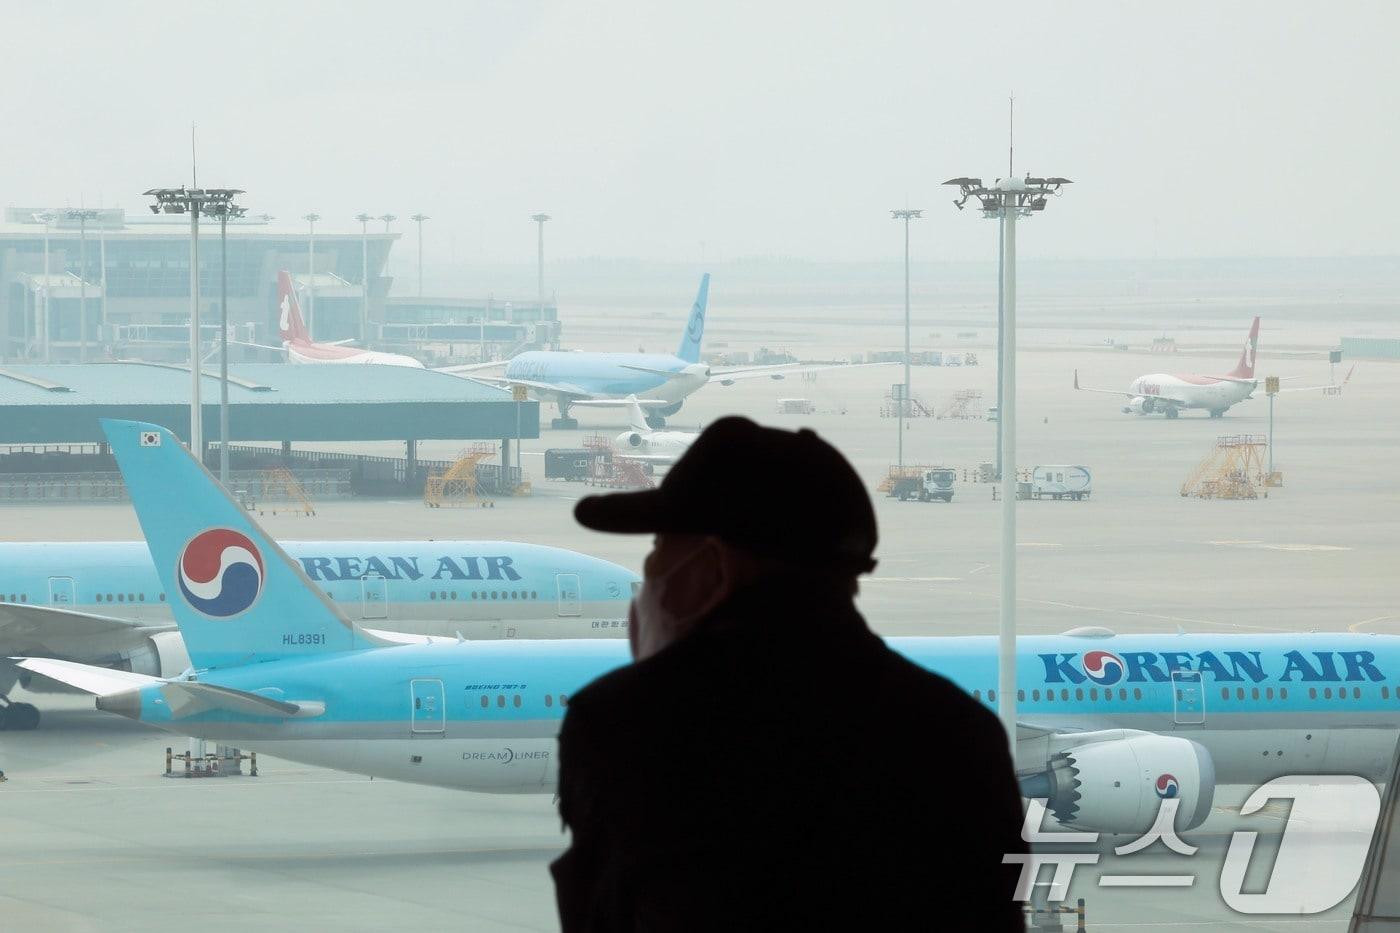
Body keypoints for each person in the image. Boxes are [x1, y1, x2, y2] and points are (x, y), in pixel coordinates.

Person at [552, 417, 1026, 931]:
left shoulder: (624, 723)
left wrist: (657, 679)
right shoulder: (957, 729)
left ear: (713, 567)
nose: (648, 575)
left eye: (658, 550)